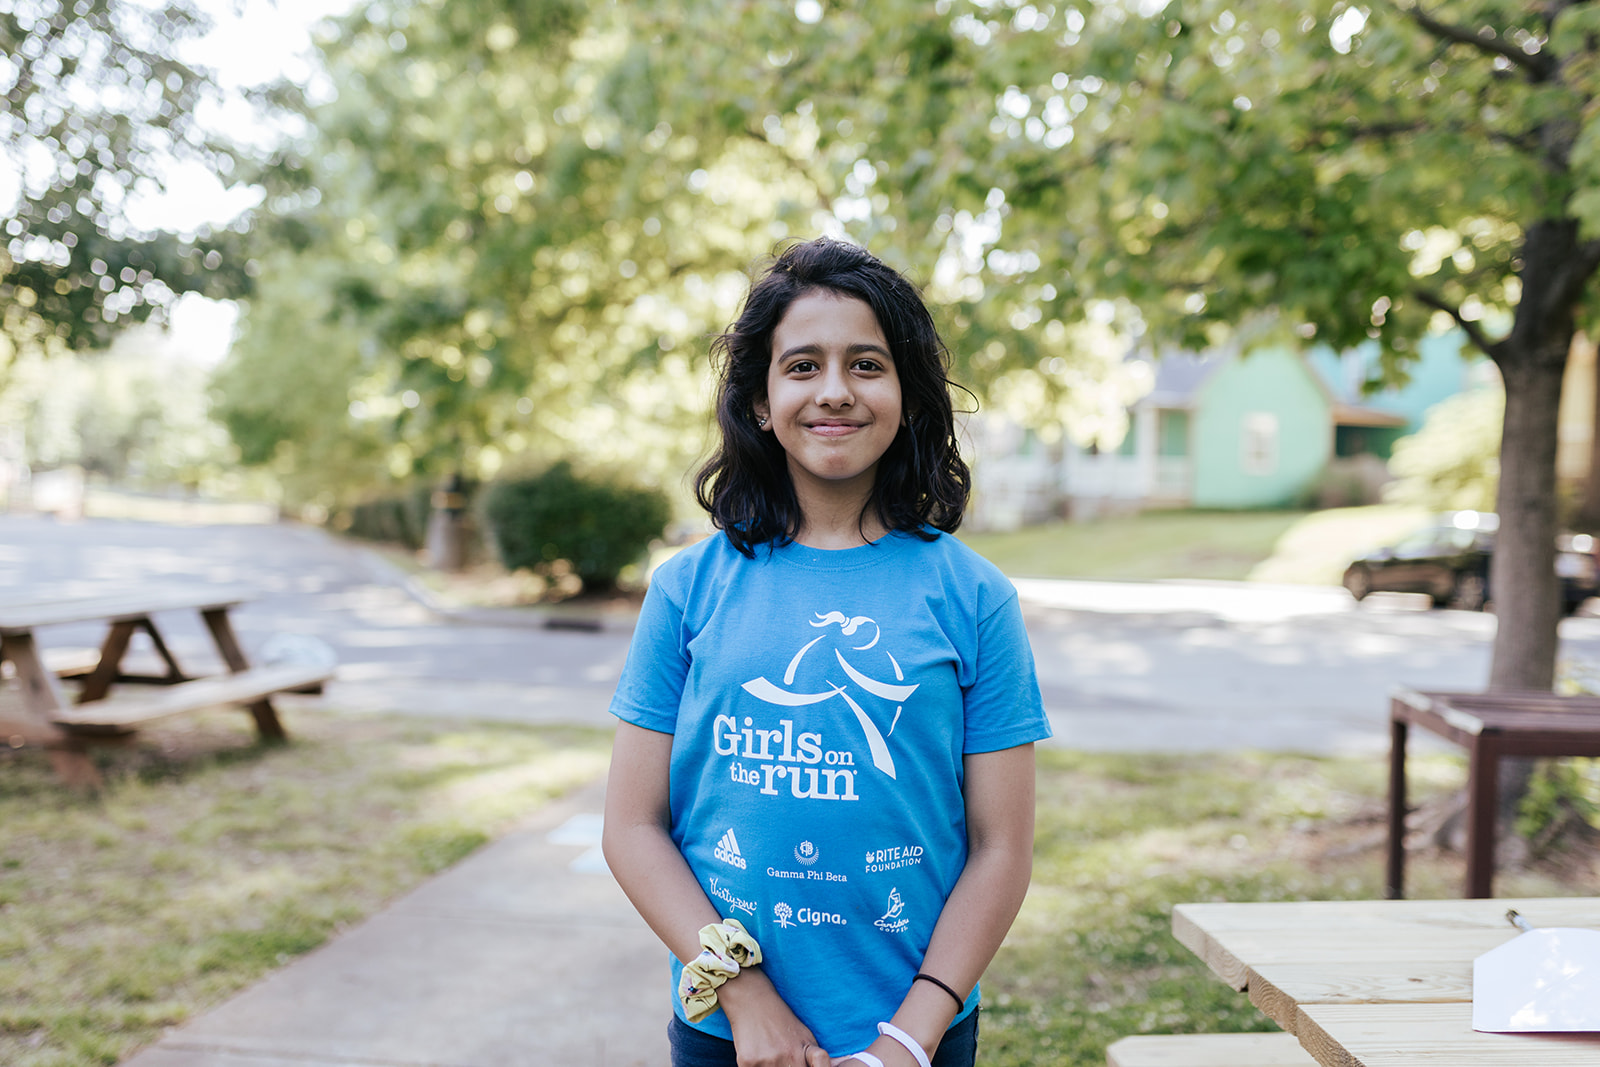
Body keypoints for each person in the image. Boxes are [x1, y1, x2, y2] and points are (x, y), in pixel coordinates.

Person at [603, 237, 1050, 1067]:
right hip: (725, 1034)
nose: (835, 391)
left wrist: (907, 1041)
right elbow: (633, 826)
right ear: (762, 402)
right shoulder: (687, 590)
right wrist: (747, 1000)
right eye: (802, 365)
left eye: (867, 365)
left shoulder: (975, 598)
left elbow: (1001, 848)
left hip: (919, 1036)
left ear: (910, 396)